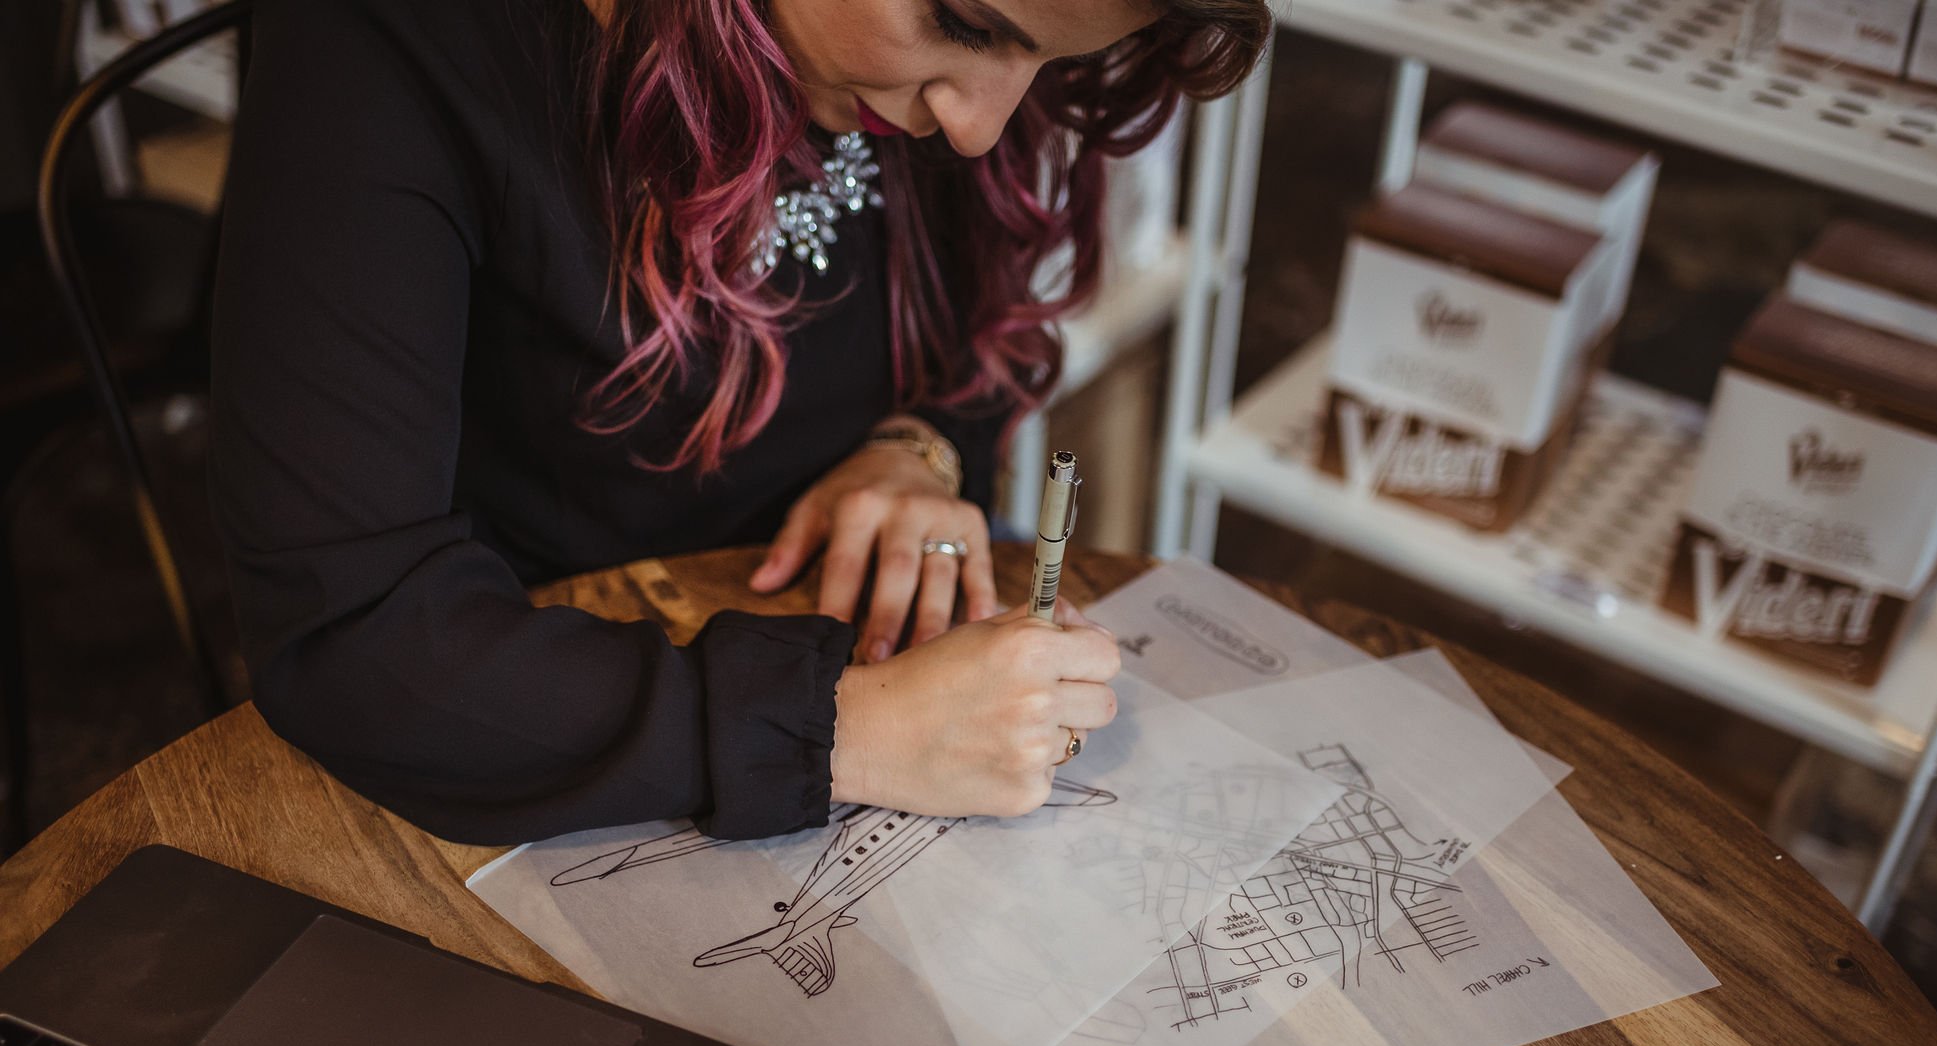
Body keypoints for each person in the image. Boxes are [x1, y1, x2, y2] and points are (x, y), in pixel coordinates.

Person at [210, 0, 1270, 845]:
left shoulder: (914, 78)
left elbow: (974, 340)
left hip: (840, 657)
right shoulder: (382, 44)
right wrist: (851, 729)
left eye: (1045, 64)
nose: (977, 124)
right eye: (963, 21)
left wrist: (918, 448)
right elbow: (350, 628)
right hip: (530, 712)